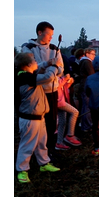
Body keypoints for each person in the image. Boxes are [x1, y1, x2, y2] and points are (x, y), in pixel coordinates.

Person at [14, 52, 61, 183]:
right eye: (34, 60)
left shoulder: (26, 75)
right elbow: (47, 77)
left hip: (38, 117)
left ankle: (44, 163)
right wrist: (55, 66)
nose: (36, 62)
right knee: (27, 144)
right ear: (28, 65)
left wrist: (47, 63)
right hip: (29, 118)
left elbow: (39, 69)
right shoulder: (24, 77)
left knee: (41, 143)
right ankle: (22, 170)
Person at [21, 21, 64, 155]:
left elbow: (61, 69)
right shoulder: (28, 48)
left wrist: (54, 70)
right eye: (48, 34)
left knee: (52, 123)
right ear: (40, 33)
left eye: (52, 35)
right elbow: (31, 68)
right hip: (38, 91)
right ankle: (35, 152)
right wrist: (48, 65)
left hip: (53, 90)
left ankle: (49, 151)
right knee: (38, 124)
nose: (51, 38)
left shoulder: (55, 49)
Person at [55, 73, 81, 150]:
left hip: (62, 101)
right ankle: (70, 135)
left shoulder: (59, 78)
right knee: (75, 112)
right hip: (59, 102)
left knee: (62, 121)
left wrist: (69, 82)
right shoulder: (53, 78)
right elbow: (56, 87)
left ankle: (59, 142)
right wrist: (65, 79)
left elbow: (63, 88)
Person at [79, 48, 96, 132]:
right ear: (87, 54)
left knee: (84, 106)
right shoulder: (87, 62)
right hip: (87, 86)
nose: (94, 56)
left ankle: (84, 124)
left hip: (83, 85)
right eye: (92, 54)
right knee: (87, 106)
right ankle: (87, 125)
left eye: (94, 54)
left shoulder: (83, 61)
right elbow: (92, 74)